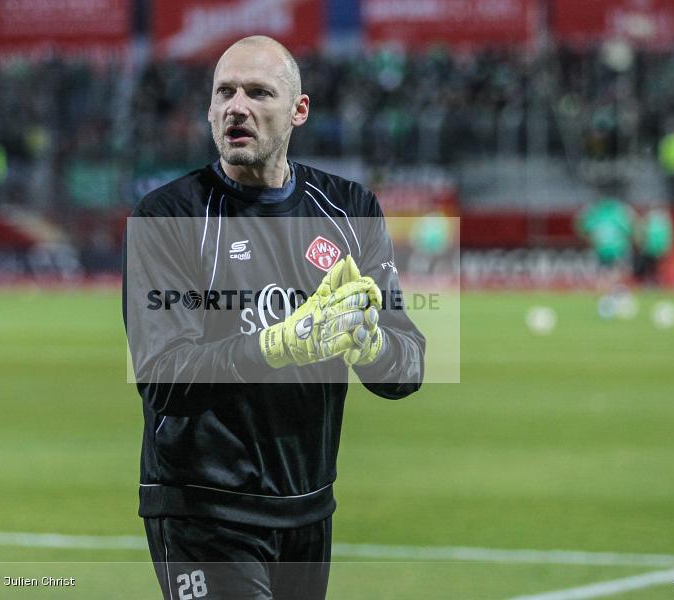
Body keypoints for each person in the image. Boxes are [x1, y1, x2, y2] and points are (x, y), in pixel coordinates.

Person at [122, 36, 425, 599]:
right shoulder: (168, 216)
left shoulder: (351, 209)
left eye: (258, 93)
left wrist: (370, 345)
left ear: (298, 110)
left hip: (308, 508)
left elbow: (408, 366)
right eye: (225, 93)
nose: (237, 107)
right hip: (204, 511)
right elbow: (163, 377)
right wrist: (279, 344)